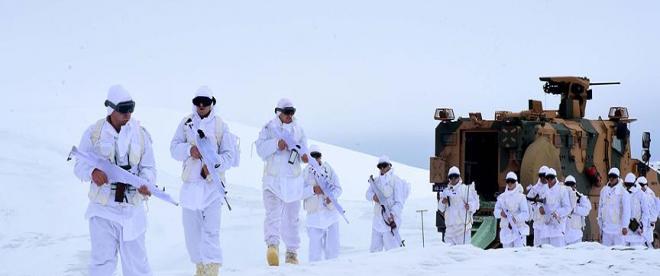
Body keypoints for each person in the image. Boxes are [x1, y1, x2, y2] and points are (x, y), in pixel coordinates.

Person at [73, 85, 154, 276]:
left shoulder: (141, 135)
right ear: (111, 109)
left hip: (132, 211)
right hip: (102, 210)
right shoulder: (94, 133)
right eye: (123, 109)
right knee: (101, 265)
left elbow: (149, 168)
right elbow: (79, 165)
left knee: (137, 267)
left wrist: (146, 183)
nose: (127, 114)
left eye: (130, 109)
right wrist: (92, 172)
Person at [170, 86, 238, 275]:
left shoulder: (220, 125)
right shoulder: (186, 123)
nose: (201, 105)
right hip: (191, 186)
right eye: (198, 101)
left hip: (212, 187)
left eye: (205, 102)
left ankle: (212, 267)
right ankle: (200, 267)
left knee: (211, 231)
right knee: (192, 234)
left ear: (211, 103)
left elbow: (229, 156)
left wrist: (214, 165)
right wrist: (188, 151)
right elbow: (174, 148)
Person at [256, 98, 308, 266]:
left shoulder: (298, 130)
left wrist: (305, 156)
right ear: (278, 112)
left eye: (292, 111)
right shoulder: (269, 128)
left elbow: (304, 150)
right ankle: (272, 247)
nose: (289, 115)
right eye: (286, 112)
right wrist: (276, 144)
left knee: (292, 219)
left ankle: (292, 253)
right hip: (273, 181)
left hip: (293, 183)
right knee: (272, 215)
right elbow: (260, 149)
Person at [302, 145, 342, 262]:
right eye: (312, 156)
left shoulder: (329, 170)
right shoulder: (304, 173)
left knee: (333, 253)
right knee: (314, 255)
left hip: (331, 216)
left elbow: (338, 188)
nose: (315, 158)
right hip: (313, 218)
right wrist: (313, 190)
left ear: (321, 156)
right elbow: (298, 193)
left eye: (317, 155)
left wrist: (332, 196)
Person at [366, 156, 408, 252]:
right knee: (374, 252)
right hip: (377, 222)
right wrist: (373, 197)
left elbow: (399, 202)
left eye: (384, 165)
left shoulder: (396, 181)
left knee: (392, 252)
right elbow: (367, 194)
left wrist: (392, 214)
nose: (382, 168)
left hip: (389, 222)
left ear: (389, 165)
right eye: (379, 166)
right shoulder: (375, 181)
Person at [438, 166, 479, 245]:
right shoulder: (446, 191)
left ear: (459, 177)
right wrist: (443, 202)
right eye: (451, 177)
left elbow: (474, 203)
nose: (453, 179)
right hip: (450, 229)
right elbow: (441, 208)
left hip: (463, 228)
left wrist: (469, 206)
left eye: (455, 176)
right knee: (449, 252)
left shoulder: (464, 189)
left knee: (463, 252)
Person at [536, 168, 571, 247]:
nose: (549, 180)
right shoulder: (544, 189)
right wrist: (540, 208)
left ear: (555, 177)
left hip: (557, 228)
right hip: (545, 227)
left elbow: (567, 207)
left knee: (557, 254)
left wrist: (557, 213)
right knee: (545, 253)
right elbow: (540, 202)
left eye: (551, 177)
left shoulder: (562, 189)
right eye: (547, 178)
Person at [494, 172, 530, 248]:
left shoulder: (521, 197)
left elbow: (526, 214)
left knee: (519, 255)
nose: (510, 183)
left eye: (512, 181)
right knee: (507, 256)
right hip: (506, 231)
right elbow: (495, 212)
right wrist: (501, 213)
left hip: (519, 229)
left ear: (516, 182)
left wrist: (516, 218)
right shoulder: (502, 197)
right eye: (508, 181)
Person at [597, 168, 631, 246]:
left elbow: (627, 210)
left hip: (618, 229)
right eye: (610, 176)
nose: (611, 178)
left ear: (617, 178)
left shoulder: (623, 192)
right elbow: (600, 208)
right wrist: (600, 225)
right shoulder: (604, 191)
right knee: (606, 254)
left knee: (619, 254)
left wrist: (625, 226)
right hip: (606, 229)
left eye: (614, 176)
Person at [623, 173, 650, 247]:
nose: (627, 187)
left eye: (629, 185)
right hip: (626, 229)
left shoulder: (641, 195)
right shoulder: (624, 193)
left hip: (637, 229)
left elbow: (646, 212)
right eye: (626, 185)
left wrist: (642, 225)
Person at [563, 175, 592, 245]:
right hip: (563, 233)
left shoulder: (580, 197)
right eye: (567, 185)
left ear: (574, 186)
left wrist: (575, 209)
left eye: (571, 185)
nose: (569, 187)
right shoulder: (561, 197)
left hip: (576, 234)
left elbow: (586, 210)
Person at [526, 166, 549, 247]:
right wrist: (535, 206)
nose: (542, 178)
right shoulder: (535, 189)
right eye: (540, 175)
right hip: (537, 222)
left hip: (548, 223)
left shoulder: (552, 188)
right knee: (537, 246)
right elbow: (528, 202)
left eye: (544, 175)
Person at [637, 176, 658, 248]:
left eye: (644, 185)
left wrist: (653, 220)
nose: (643, 187)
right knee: (641, 243)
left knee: (649, 242)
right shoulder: (637, 193)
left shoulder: (650, 194)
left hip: (649, 223)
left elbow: (654, 208)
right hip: (640, 223)